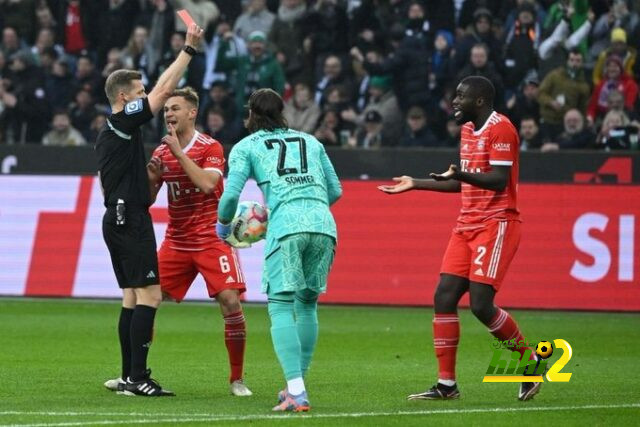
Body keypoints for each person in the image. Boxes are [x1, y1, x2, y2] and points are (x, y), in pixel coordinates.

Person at [378, 76, 540, 402]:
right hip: (466, 225)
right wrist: (417, 183)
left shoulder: (501, 129)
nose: (454, 101)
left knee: (481, 305)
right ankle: (446, 385)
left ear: (479, 101)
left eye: (461, 96)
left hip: (497, 224)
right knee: (444, 296)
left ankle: (530, 362)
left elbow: (497, 180)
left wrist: (460, 174)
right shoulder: (467, 130)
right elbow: (461, 183)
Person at [216, 88, 342, 412]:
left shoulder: (247, 146)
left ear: (251, 114)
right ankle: (294, 385)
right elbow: (336, 190)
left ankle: (297, 393)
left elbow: (230, 197)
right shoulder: (311, 142)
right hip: (324, 224)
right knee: (308, 303)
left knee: (282, 305)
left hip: (286, 226)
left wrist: (222, 225)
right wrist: (309, 205)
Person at [96, 21, 204, 397]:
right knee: (151, 296)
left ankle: (129, 376)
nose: (149, 97)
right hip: (129, 219)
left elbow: (113, 180)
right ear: (126, 98)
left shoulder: (113, 133)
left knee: (131, 296)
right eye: (139, 92)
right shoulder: (122, 120)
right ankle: (139, 378)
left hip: (118, 215)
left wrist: (149, 183)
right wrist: (188, 50)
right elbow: (162, 91)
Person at [144, 87, 252, 397]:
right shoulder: (160, 152)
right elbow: (150, 200)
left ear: (192, 113)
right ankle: (135, 373)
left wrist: (178, 152)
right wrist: (152, 180)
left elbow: (207, 185)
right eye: (166, 110)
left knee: (230, 301)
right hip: (176, 240)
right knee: (145, 299)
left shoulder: (211, 146)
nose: (169, 114)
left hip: (211, 238)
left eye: (175, 108)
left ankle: (237, 379)